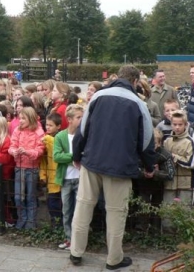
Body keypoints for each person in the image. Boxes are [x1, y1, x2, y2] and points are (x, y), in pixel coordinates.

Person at [69, 65, 155, 270]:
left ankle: (75, 252)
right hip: (121, 167)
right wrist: (149, 165)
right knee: (116, 213)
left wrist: (77, 156)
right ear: (135, 81)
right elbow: (146, 141)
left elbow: (82, 129)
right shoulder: (139, 104)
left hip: (92, 162)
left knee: (83, 207)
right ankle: (113, 259)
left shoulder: (98, 96)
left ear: (118, 77)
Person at [53, 104, 85, 251]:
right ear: (70, 119)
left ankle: (79, 240)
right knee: (67, 210)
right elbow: (57, 156)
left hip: (81, 179)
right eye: (79, 117)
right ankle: (68, 238)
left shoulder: (84, 135)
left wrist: (77, 158)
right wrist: (74, 157)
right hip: (66, 179)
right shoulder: (60, 136)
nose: (82, 119)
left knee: (81, 212)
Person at [9, 107, 45, 229]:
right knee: (18, 197)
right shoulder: (17, 131)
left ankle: (31, 222)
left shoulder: (39, 132)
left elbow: (40, 150)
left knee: (30, 196)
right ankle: (22, 218)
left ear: (31, 118)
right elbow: (11, 146)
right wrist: (14, 152)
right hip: (19, 167)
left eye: (23, 118)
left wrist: (27, 152)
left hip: (32, 169)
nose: (20, 121)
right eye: (20, 118)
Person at [163, 110, 194, 205]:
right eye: (174, 124)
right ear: (171, 124)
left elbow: (191, 163)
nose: (177, 127)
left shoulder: (190, 142)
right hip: (169, 182)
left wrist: (174, 157)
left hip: (185, 183)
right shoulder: (167, 140)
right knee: (167, 210)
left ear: (185, 125)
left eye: (180, 124)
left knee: (184, 210)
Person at [39, 112, 63, 229]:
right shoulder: (46, 139)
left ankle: (61, 225)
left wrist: (47, 139)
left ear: (58, 126)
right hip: (51, 179)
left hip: (60, 178)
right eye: (46, 125)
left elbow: (55, 148)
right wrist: (42, 175)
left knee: (60, 203)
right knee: (51, 203)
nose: (47, 127)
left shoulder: (59, 138)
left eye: (51, 125)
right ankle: (56, 224)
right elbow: (44, 161)